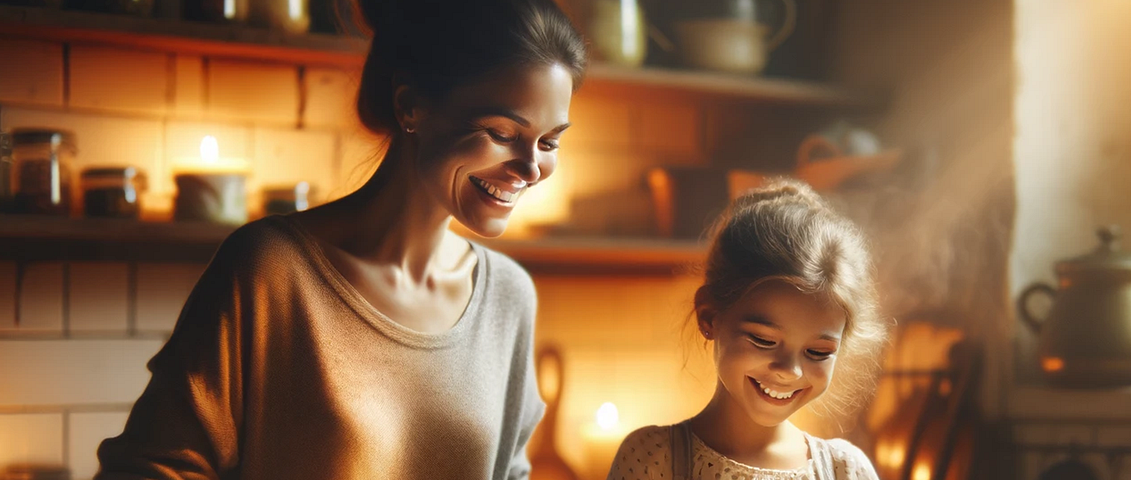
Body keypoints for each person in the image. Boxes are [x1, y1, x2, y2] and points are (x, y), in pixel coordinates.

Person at [95, 0, 585, 478]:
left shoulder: (508, 296)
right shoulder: (271, 270)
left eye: (549, 142)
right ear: (410, 106)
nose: (530, 168)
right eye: (502, 132)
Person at [607, 180, 887, 479]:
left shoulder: (845, 470)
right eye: (763, 340)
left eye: (817, 352)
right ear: (710, 316)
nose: (789, 371)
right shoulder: (653, 458)